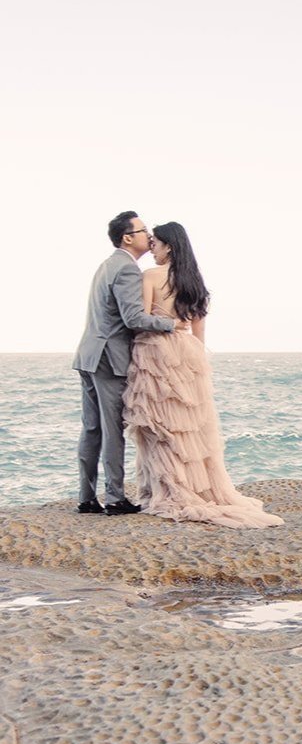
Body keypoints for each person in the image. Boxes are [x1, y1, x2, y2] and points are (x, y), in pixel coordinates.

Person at [122, 221, 283, 528]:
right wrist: (195, 364)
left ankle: (165, 488)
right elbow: (199, 331)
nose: (152, 247)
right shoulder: (192, 280)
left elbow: (140, 320)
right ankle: (191, 486)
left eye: (156, 242)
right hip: (187, 352)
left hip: (155, 351)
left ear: (169, 245)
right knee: (187, 427)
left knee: (160, 428)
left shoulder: (150, 276)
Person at [73, 211, 180, 515]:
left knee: (91, 428)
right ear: (127, 238)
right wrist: (170, 324)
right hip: (109, 358)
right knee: (111, 429)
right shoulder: (128, 270)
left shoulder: (106, 265)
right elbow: (133, 319)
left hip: (88, 354)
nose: (149, 235)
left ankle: (86, 497)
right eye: (143, 230)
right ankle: (116, 498)